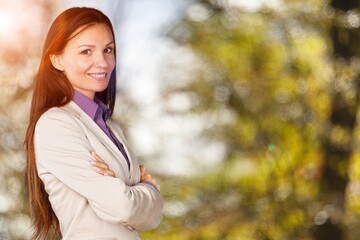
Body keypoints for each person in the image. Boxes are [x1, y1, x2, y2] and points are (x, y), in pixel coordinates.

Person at [24, 7, 163, 240]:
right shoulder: (55, 124)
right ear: (57, 60)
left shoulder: (110, 127)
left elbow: (152, 217)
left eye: (108, 50)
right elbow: (123, 207)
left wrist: (125, 191)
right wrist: (149, 190)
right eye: (86, 51)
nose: (102, 62)